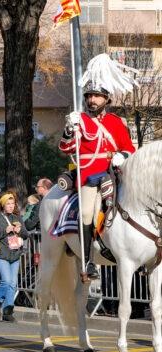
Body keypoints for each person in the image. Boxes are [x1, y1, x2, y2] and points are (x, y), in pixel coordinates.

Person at [59, 73, 136, 279]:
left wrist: (122, 155)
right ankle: (88, 261)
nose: (92, 100)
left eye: (97, 96)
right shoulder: (80, 120)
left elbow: (129, 147)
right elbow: (66, 148)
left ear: (107, 99)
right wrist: (69, 129)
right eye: (89, 96)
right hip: (89, 174)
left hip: (115, 172)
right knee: (86, 213)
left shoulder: (115, 121)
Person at [0, 193, 29, 322]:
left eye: (12, 203)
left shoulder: (17, 217)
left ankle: (8, 312)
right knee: (6, 281)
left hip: (15, 254)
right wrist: (5, 231)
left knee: (13, 284)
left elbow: (26, 235)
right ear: (3, 205)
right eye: (8, 204)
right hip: (1, 253)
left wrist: (20, 230)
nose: (11, 206)